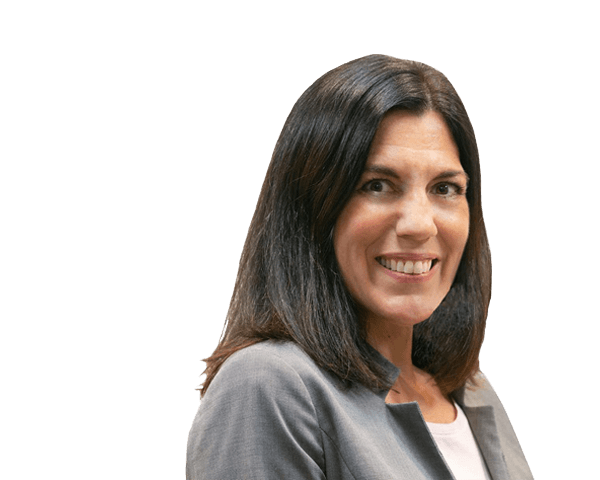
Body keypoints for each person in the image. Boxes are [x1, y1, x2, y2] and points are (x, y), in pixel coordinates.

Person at [186, 54, 534, 479]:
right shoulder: (267, 385)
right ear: (312, 207)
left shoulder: (473, 392)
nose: (420, 225)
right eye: (377, 185)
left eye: (445, 188)